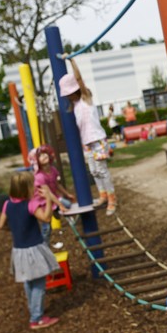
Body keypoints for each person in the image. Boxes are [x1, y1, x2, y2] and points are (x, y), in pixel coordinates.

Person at [0, 171, 60, 330]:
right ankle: (37, 319)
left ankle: (34, 311)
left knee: (28, 281)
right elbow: (46, 218)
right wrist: (47, 197)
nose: (35, 187)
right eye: (32, 184)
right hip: (34, 249)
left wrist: (16, 230)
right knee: (39, 283)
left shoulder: (7, 204)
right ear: (25, 188)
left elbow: (1, 225)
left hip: (19, 250)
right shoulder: (31, 204)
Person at [59, 58, 117, 216]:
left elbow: (79, 78)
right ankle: (103, 195)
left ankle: (112, 199)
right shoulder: (76, 105)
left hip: (98, 140)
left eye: (69, 93)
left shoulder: (86, 97)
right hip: (88, 144)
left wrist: (71, 60)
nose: (68, 97)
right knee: (94, 171)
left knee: (102, 170)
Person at [31, 144, 76, 243]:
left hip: (54, 197)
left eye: (45, 154)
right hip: (43, 202)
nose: (44, 156)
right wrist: (60, 205)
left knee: (68, 204)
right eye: (41, 156)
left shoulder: (53, 170)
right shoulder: (39, 176)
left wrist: (67, 194)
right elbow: (47, 194)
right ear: (37, 161)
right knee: (47, 227)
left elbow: (57, 185)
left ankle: (56, 210)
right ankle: (44, 245)